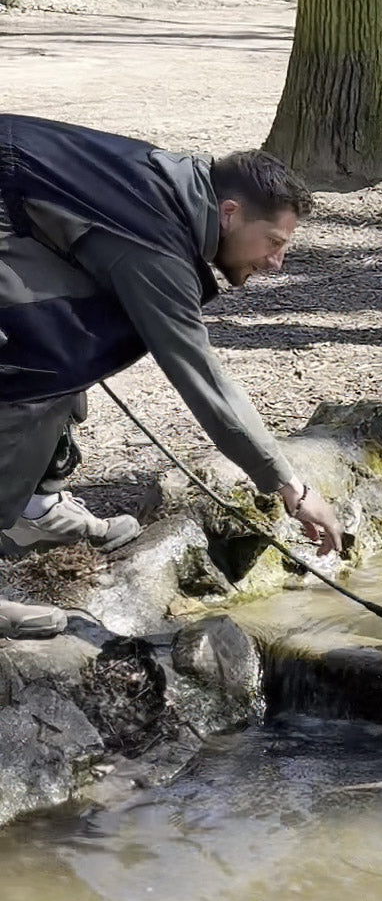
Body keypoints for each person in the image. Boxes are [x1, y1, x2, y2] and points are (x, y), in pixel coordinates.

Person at [0, 114, 343, 639]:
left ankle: (35, 507)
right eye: (273, 241)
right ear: (230, 213)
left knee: (77, 331)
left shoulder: (174, 188)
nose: (277, 262)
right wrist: (290, 487)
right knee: (33, 365)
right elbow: (201, 379)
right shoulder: (156, 241)